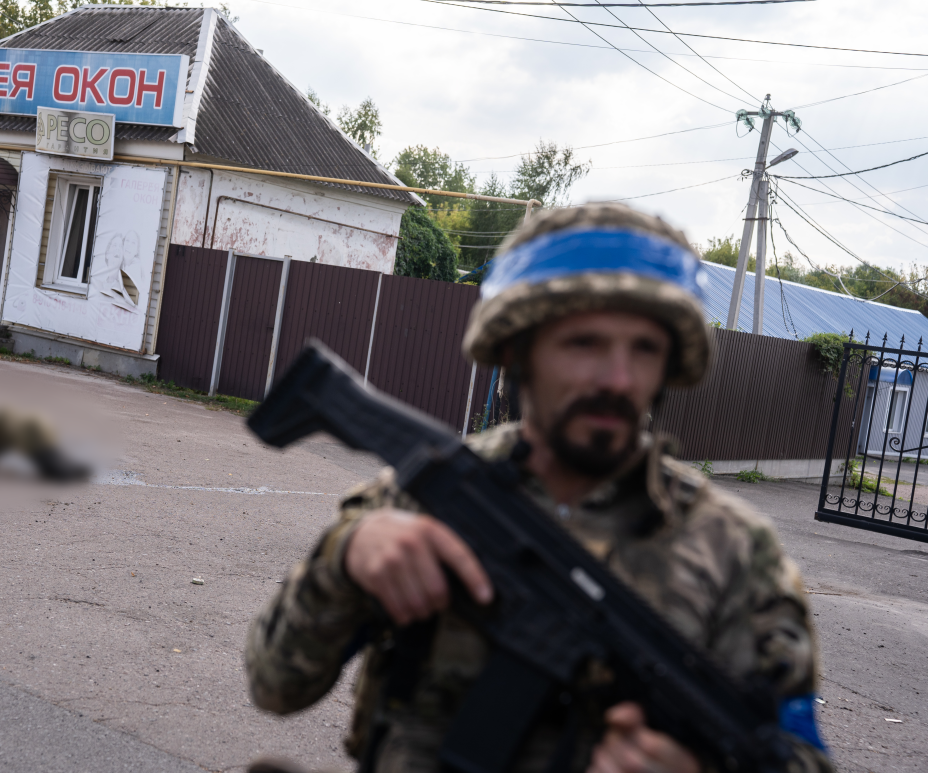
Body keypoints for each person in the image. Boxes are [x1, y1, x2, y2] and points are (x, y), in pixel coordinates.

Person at [244, 202, 833, 773]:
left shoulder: (734, 549)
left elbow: (795, 753)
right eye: (584, 343)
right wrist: (346, 558)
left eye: (645, 349)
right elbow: (274, 686)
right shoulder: (423, 493)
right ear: (517, 350)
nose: (619, 379)